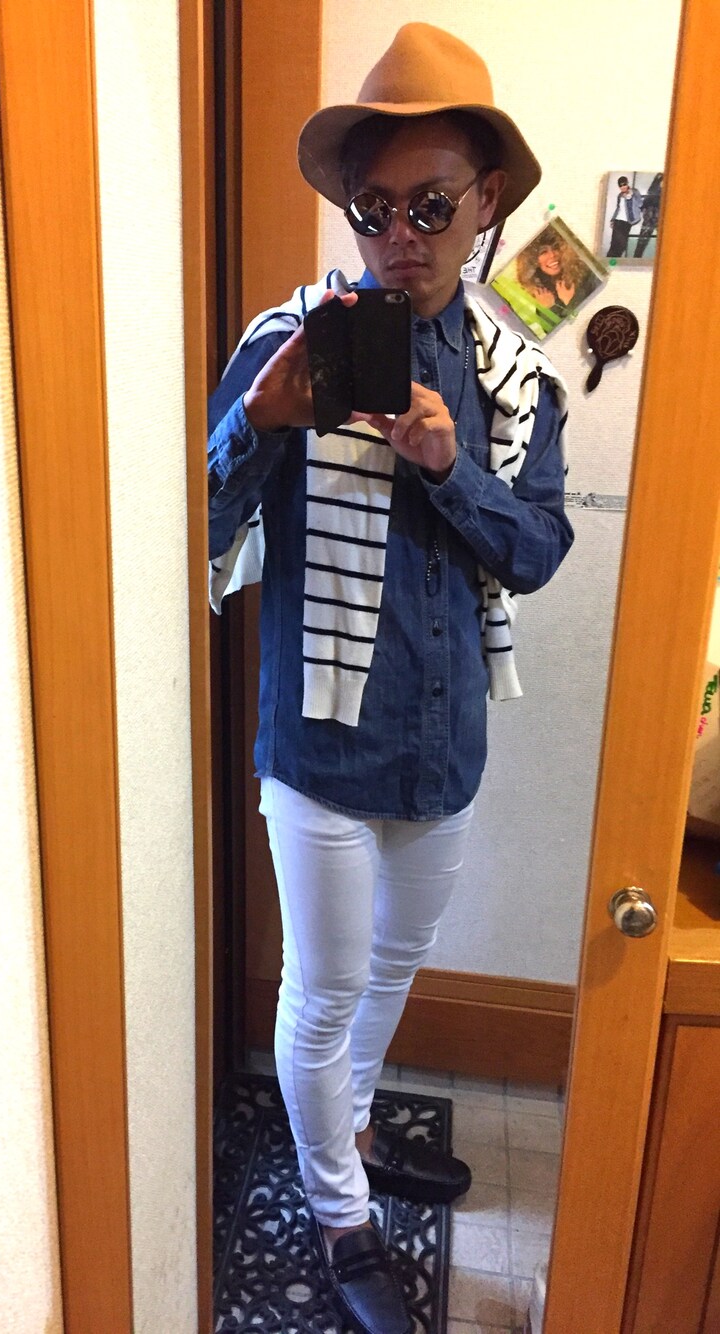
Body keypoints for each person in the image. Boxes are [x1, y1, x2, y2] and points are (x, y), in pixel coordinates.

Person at [207, 23, 573, 1334]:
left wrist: (447, 467)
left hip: (443, 746)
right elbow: (194, 530)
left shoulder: (516, 377)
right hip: (320, 748)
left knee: (393, 967)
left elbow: (537, 551)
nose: (401, 237)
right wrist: (259, 424)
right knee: (320, 992)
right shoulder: (286, 342)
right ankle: (340, 1212)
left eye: (431, 205)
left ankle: (350, 1136)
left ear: (486, 201)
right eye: (373, 209)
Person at [516, 225, 597, 318]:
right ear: (533, 261)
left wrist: (570, 301)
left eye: (556, 247)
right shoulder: (541, 295)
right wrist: (550, 307)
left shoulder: (585, 275)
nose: (552, 255)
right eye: (543, 252)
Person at [607, 175, 643, 258]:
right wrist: (612, 219)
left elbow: (640, 204)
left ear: (627, 183)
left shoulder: (634, 191)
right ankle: (611, 262)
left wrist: (631, 196)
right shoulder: (620, 195)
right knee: (615, 244)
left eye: (624, 184)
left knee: (622, 245)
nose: (623, 187)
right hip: (618, 222)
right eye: (620, 185)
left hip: (627, 223)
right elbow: (618, 208)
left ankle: (611, 261)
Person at [633, 172, 663, 259]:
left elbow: (643, 207)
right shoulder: (654, 193)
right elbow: (643, 206)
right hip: (653, 217)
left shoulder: (652, 193)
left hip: (652, 217)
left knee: (642, 241)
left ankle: (636, 258)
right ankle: (636, 258)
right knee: (642, 241)